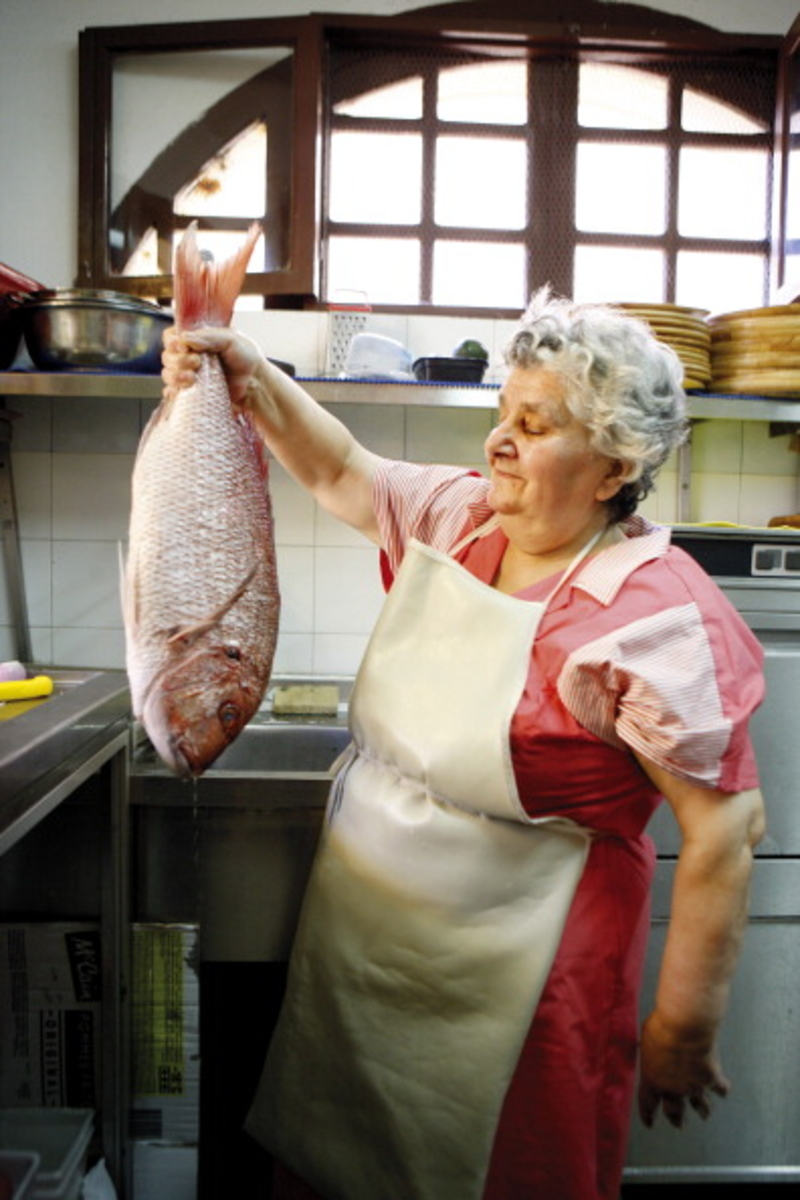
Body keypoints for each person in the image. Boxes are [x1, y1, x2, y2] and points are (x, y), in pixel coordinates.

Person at [162, 292, 766, 1200]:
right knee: (341, 1157)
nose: (499, 442)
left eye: (536, 423)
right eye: (501, 415)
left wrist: (682, 1027)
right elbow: (343, 473)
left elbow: (724, 830)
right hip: (370, 948)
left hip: (527, 974)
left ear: (614, 466)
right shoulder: (463, 521)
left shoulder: (654, 616)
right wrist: (247, 374)